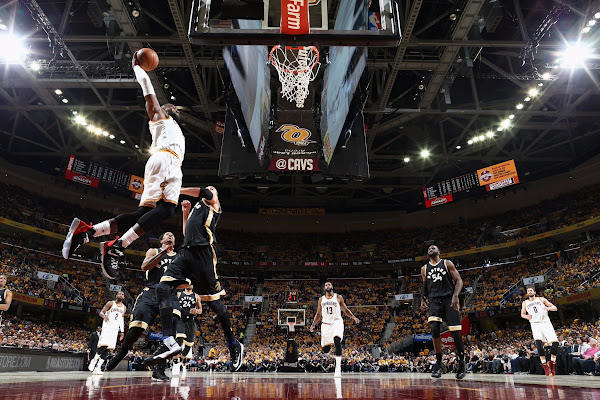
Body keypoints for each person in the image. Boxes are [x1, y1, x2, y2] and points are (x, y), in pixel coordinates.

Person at [61, 50, 185, 280]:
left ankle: (89, 232)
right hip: (166, 161)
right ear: (165, 111)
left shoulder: (174, 131)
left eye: (175, 108)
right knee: (167, 209)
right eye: (171, 107)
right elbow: (150, 96)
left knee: (144, 212)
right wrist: (139, 69)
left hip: (163, 163)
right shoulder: (162, 119)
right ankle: (117, 245)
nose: (174, 109)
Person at [144, 188, 244, 371]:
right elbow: (186, 232)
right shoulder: (197, 207)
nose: (211, 189)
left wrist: (177, 189)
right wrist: (185, 213)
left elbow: (207, 192)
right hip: (186, 253)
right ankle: (167, 340)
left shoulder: (213, 203)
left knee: (215, 305)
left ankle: (234, 344)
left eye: (214, 188)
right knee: (162, 286)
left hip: (203, 257)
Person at [104, 232, 179, 381]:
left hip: (170, 294)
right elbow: (144, 267)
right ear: (161, 240)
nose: (170, 235)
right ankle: (121, 352)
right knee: (136, 329)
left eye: (172, 235)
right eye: (167, 234)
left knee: (171, 329)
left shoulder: (179, 257)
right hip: (151, 292)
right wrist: (164, 252)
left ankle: (159, 369)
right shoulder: (154, 251)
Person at [420, 244, 466, 379]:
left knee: (455, 332)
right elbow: (425, 286)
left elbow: (459, 280)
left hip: (448, 299)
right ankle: (439, 363)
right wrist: (423, 299)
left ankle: (462, 363)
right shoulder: (424, 269)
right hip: (434, 301)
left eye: (433, 248)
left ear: (439, 251)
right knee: (434, 329)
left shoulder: (447, 263)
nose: (431, 249)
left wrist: (456, 296)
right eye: (428, 248)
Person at [310, 281, 360, 378]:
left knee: (337, 341)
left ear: (332, 287)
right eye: (326, 285)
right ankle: (330, 346)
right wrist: (313, 324)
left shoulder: (338, 297)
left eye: (329, 284)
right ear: (324, 288)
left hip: (337, 322)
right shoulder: (321, 299)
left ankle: (338, 369)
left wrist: (353, 317)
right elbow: (318, 314)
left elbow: (345, 310)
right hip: (326, 324)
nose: (327, 286)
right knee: (325, 349)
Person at [521, 285, 559, 376]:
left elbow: (555, 308)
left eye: (531, 290)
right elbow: (522, 314)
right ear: (527, 293)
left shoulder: (541, 299)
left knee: (555, 343)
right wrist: (526, 316)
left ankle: (552, 363)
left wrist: (548, 308)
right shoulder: (525, 302)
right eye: (528, 291)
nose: (530, 291)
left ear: (534, 292)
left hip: (545, 322)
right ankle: (544, 365)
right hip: (535, 323)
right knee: (539, 344)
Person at [88, 292, 126, 374]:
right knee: (103, 346)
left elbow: (121, 320)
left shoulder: (124, 307)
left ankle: (98, 368)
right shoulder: (110, 303)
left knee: (108, 349)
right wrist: (104, 316)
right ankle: (93, 361)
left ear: (124, 297)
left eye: (122, 294)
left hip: (115, 330)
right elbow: (101, 312)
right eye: (119, 294)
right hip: (107, 328)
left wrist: (122, 332)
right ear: (116, 296)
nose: (121, 295)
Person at [172, 285, 202, 376]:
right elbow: (172, 304)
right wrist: (177, 307)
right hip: (181, 319)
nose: (189, 285)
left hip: (191, 321)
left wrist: (196, 311)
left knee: (189, 345)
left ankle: (180, 360)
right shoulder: (178, 294)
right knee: (179, 338)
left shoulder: (196, 296)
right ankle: (175, 363)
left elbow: (200, 310)